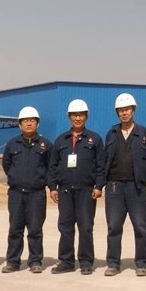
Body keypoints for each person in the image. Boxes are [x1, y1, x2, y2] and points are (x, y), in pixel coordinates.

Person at [49, 99, 106, 275]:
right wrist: (53, 187)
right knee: (65, 226)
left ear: (86, 117)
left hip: (86, 191)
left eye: (81, 115)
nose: (78, 118)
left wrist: (98, 186)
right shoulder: (61, 140)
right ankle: (66, 261)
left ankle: (86, 262)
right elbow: (53, 166)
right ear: (69, 117)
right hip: (65, 191)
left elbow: (101, 165)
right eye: (74, 115)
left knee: (86, 227)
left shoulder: (95, 139)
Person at [102, 93, 146, 277]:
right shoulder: (111, 133)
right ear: (117, 113)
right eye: (121, 110)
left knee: (141, 226)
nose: (124, 113)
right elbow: (105, 159)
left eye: (127, 110)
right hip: (114, 187)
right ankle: (113, 263)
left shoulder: (143, 133)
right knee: (114, 226)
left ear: (133, 111)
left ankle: (142, 263)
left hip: (136, 187)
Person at [1, 106, 54, 274]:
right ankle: (13, 261)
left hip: (36, 194)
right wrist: (16, 178)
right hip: (16, 193)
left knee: (35, 229)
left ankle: (35, 261)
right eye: (25, 121)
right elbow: (7, 165)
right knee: (15, 229)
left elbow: (51, 167)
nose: (29, 123)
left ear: (37, 123)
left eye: (32, 120)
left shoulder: (45, 145)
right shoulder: (12, 144)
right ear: (20, 124)